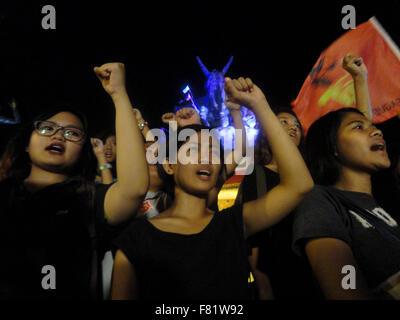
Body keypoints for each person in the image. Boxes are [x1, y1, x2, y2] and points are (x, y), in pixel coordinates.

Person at [110, 76, 314, 299]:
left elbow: (299, 185)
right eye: (193, 149)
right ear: (169, 165)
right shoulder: (137, 239)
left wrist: (259, 104)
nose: (206, 157)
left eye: (214, 151)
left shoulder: (234, 224)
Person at [0, 62, 149, 299]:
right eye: (47, 128)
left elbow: (134, 188)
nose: (59, 135)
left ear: (83, 151)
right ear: (27, 144)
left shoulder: (88, 198)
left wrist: (119, 94)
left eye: (72, 133)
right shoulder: (5, 192)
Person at [292, 106, 400, 299]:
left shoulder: (385, 201)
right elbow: (345, 289)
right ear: (332, 146)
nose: (377, 131)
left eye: (373, 126)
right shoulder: (318, 200)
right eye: (358, 127)